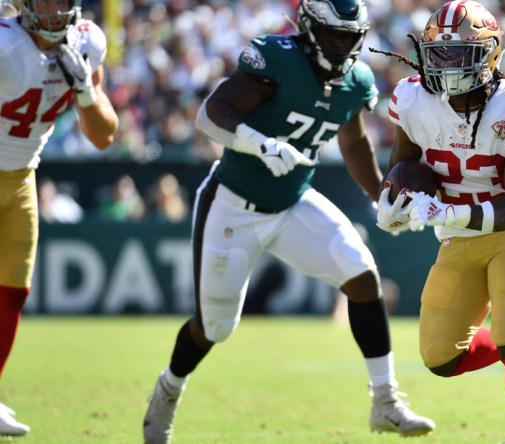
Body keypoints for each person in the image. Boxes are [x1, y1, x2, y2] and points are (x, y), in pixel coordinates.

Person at [141, 0, 435, 442]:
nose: (343, 47)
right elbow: (210, 114)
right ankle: (169, 388)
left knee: (363, 277)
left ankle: (385, 401)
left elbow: (355, 147)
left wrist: (383, 200)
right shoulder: (276, 58)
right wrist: (258, 144)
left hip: (293, 202)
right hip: (233, 205)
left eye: (350, 38)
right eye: (334, 36)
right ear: (310, 30)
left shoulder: (354, 81)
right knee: (215, 327)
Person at [372, 1, 505, 442]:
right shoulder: (412, 100)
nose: (446, 66)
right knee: (440, 358)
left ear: (488, 55)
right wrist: (391, 202)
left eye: (458, 54)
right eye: (438, 55)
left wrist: (449, 211)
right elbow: (403, 168)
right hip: (457, 238)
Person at [0, 0, 118, 436]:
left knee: (12, 291)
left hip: (22, 177)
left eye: (61, 0)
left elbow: (104, 136)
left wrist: (86, 90)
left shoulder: (87, 43)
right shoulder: (5, 44)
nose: (54, 10)